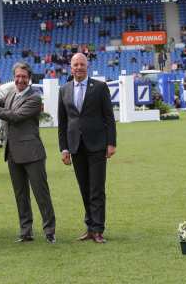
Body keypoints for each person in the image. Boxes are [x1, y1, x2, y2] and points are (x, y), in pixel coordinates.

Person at [0, 62, 56, 244]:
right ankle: (26, 231)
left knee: (41, 194)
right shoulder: (11, 94)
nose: (20, 80)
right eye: (17, 76)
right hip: (13, 153)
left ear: (29, 78)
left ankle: (49, 231)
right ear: (13, 77)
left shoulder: (35, 98)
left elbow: (14, 116)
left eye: (23, 76)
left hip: (32, 153)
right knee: (20, 195)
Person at [57, 53, 116, 244]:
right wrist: (64, 148)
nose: (79, 67)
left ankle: (98, 229)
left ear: (87, 66)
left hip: (97, 145)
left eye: (82, 64)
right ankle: (90, 227)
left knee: (97, 188)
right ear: (70, 67)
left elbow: (109, 117)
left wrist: (111, 143)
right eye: (75, 64)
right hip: (75, 146)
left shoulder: (99, 87)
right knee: (84, 188)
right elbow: (63, 122)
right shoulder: (64, 89)